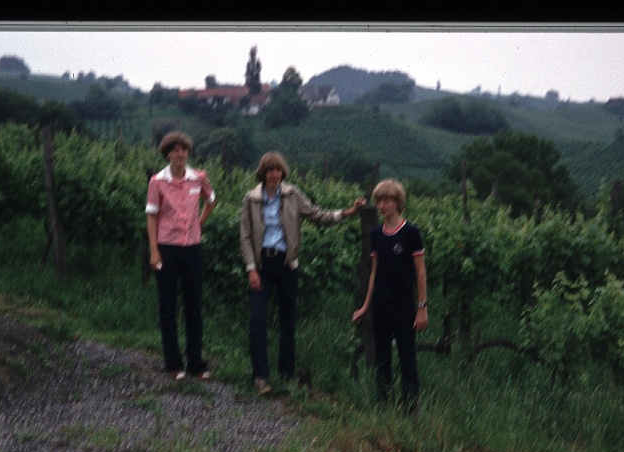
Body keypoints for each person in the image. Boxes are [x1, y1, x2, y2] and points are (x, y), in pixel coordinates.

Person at [240, 151, 366, 395]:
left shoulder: (293, 195)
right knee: (257, 322)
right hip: (261, 266)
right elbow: (245, 236)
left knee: (288, 323)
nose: (274, 174)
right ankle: (261, 377)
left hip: (287, 265)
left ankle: (286, 374)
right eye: (270, 170)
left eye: (278, 170)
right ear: (263, 173)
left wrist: (347, 213)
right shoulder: (251, 199)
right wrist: (251, 268)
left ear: (282, 172)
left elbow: (317, 215)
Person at [352, 179, 428, 415]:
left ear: (397, 203)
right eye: (378, 201)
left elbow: (420, 271)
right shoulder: (376, 234)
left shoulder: (411, 233)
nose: (380, 205)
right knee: (382, 357)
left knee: (407, 357)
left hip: (404, 305)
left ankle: (410, 411)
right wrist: (366, 306)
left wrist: (422, 307)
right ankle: (384, 406)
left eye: (385, 201)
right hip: (381, 305)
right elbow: (375, 272)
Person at [146, 131, 217, 381]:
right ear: (167, 153)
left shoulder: (198, 179)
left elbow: (212, 199)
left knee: (194, 307)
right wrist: (154, 250)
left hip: (192, 248)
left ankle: (196, 363)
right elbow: (152, 215)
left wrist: (200, 221)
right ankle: (174, 363)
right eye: (175, 149)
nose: (180, 153)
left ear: (188, 152)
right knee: (168, 306)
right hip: (167, 247)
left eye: (184, 149)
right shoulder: (157, 181)